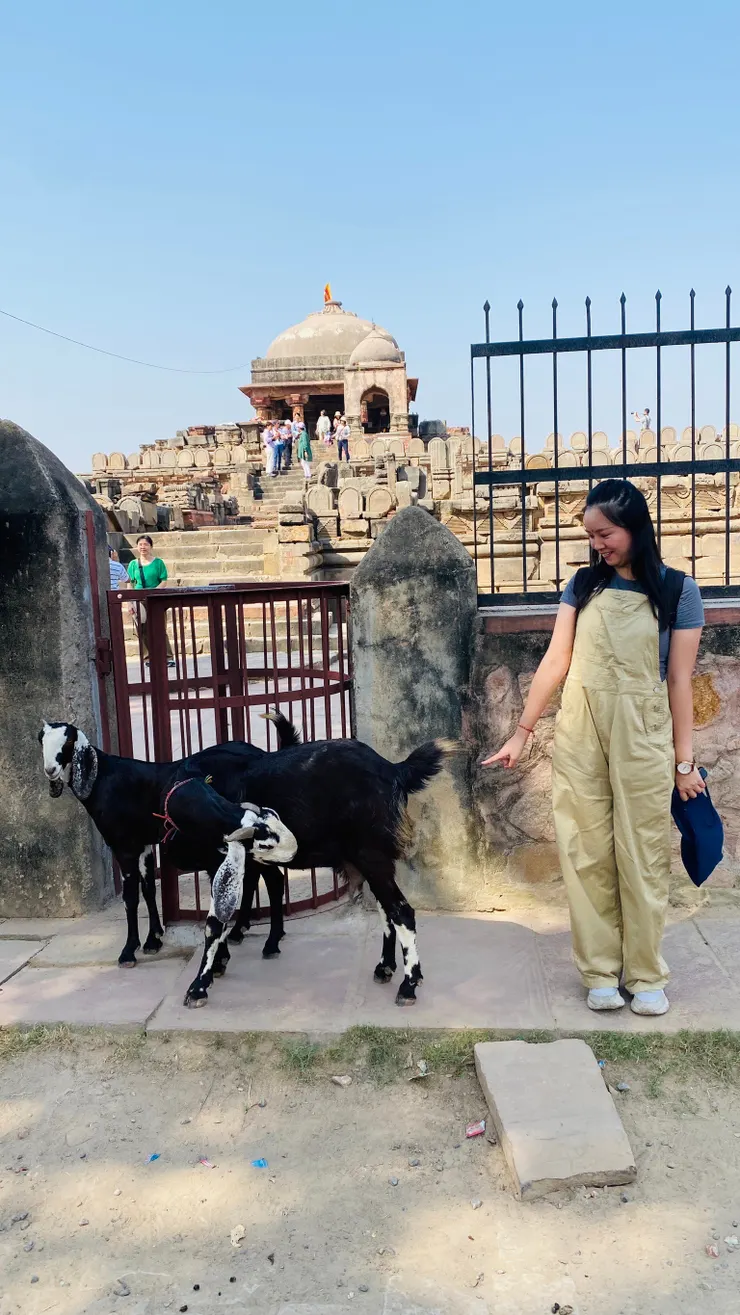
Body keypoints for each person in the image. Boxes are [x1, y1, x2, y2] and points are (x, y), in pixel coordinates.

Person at [482, 479, 705, 1018]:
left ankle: (646, 973)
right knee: (584, 850)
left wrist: (684, 762)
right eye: (591, 536)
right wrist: (522, 731)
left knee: (643, 852)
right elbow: (557, 661)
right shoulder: (582, 585)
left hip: (643, 732)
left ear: (634, 528)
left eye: (605, 534)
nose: (597, 545)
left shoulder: (678, 590)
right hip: (582, 729)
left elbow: (679, 681)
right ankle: (600, 971)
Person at [127, 535, 174, 665]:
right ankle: (147, 658)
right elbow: (130, 583)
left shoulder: (158, 563)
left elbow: (163, 581)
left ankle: (168, 657)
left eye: (146, 544)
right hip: (138, 599)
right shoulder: (133, 564)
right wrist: (129, 602)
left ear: (151, 546)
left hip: (156, 598)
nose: (143, 547)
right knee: (142, 630)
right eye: (140, 544)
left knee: (160, 628)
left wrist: (153, 592)